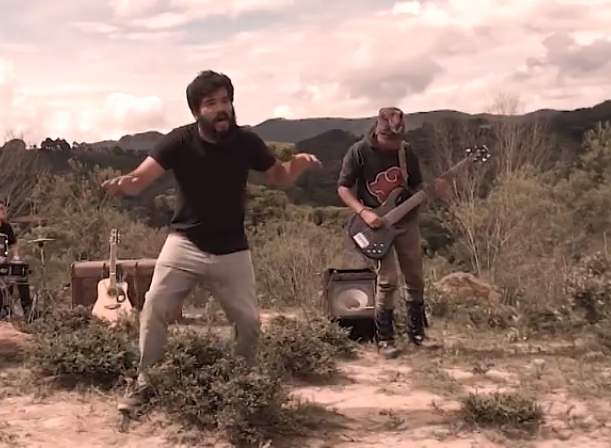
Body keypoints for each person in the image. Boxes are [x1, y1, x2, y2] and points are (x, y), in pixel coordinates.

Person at [102, 70, 321, 414]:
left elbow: (278, 175)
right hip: (184, 243)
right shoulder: (178, 141)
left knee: (249, 323)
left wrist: (295, 167)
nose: (221, 109)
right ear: (196, 111)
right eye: (211, 103)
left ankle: (243, 385)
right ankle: (146, 385)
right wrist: (126, 184)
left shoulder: (247, 142)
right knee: (154, 308)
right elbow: (141, 177)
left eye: (225, 101)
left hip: (232, 248)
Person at [336, 107, 448, 358]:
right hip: (375, 225)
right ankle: (384, 339)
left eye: (398, 140)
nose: (394, 145)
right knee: (387, 280)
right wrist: (363, 212)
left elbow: (417, 185)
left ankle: (418, 334)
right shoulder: (359, 152)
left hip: (406, 222)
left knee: (415, 278)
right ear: (378, 131)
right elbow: (343, 188)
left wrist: (434, 191)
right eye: (390, 140)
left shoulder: (405, 151)